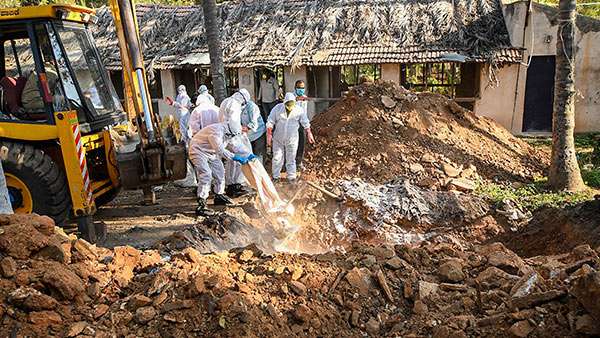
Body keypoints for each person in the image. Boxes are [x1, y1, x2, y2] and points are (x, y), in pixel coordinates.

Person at [188, 106, 256, 216]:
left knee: (220, 172)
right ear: (228, 129)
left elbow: (235, 146)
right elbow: (220, 150)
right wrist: (236, 158)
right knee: (206, 174)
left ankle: (219, 195)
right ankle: (201, 204)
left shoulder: (229, 132)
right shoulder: (216, 131)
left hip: (211, 153)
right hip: (198, 150)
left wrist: (249, 155)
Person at [267, 92, 315, 183]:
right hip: (278, 139)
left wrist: (309, 133)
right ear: (284, 102)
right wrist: (269, 134)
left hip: (292, 139)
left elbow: (305, 122)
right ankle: (276, 177)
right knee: (277, 158)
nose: (289, 106)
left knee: (291, 158)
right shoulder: (277, 109)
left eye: (291, 104)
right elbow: (270, 121)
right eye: (287, 104)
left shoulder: (299, 110)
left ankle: (291, 177)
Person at [220, 89, 254, 198]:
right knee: (240, 157)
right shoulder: (235, 104)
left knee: (231, 161)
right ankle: (235, 185)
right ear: (242, 99)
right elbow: (234, 123)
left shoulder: (226, 101)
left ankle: (230, 185)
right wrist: (238, 134)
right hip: (232, 136)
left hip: (224, 134)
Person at [168, 85, 195, 187]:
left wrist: (185, 139)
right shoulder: (183, 113)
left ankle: (192, 180)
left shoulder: (185, 113)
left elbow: (188, 130)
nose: (180, 92)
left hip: (189, 140)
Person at [241, 99, 267, 164]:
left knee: (258, 155)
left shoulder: (251, 106)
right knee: (250, 156)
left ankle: (260, 172)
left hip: (258, 133)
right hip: (248, 136)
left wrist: (246, 127)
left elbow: (253, 123)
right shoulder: (237, 107)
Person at [294, 80, 308, 170]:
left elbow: (304, 112)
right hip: (292, 124)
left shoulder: (304, 98)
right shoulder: (291, 97)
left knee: (301, 143)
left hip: (301, 124)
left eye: (302, 88)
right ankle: (289, 163)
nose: (301, 89)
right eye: (299, 88)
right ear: (295, 88)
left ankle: (299, 162)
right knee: (292, 144)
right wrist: (296, 99)